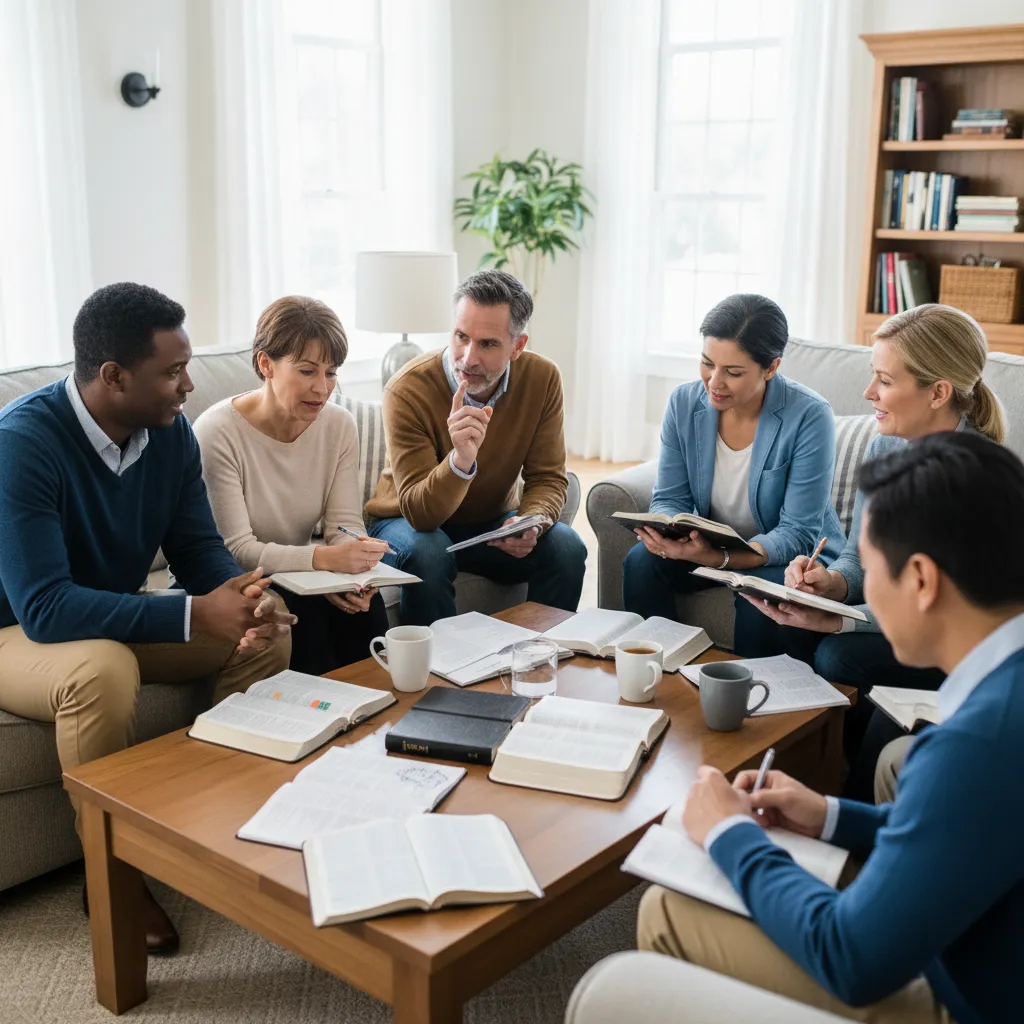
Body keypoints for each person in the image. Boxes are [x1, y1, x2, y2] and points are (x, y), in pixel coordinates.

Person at [638, 431, 1024, 1024]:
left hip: (970, 1001)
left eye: (869, 570)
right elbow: (972, 826)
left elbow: (850, 957)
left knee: (662, 911)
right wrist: (831, 814)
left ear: (921, 580)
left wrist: (727, 834)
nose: (863, 589)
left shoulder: (975, 743)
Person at [0, 283, 295, 954]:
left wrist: (241, 597)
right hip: (14, 628)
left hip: (100, 614)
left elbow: (195, 547)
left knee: (263, 633)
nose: (188, 385)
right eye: (171, 372)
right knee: (100, 668)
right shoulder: (22, 444)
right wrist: (195, 614)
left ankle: (219, 834)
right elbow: (44, 609)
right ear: (113, 377)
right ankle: (114, 872)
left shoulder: (166, 435)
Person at [746, 304, 1006, 799]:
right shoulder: (886, 449)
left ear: (938, 393)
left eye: (884, 381)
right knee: (777, 622)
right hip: (905, 619)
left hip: (955, 643)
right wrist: (832, 584)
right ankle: (795, 773)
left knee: (840, 653)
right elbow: (861, 562)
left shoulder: (977, 481)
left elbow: (938, 612)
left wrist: (840, 619)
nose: (869, 394)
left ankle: (850, 794)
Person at [364, 269, 587, 626]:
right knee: (430, 550)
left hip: (489, 526)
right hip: (406, 522)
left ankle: (540, 661)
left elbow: (548, 478)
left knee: (566, 547)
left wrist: (529, 525)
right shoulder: (407, 390)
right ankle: (437, 673)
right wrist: (460, 460)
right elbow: (421, 513)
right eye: (461, 336)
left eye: (487, 343)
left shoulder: (542, 379)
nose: (468, 358)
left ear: (518, 346)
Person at [622, 294, 842, 654]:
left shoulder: (809, 416)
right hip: (711, 544)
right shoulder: (684, 402)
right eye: (707, 363)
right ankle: (659, 676)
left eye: (733, 372)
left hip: (781, 557)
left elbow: (798, 532)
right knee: (642, 563)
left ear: (771, 367)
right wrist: (669, 533)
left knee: (761, 595)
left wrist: (718, 559)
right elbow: (671, 496)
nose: (714, 381)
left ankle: (747, 699)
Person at [194, 296, 390, 675]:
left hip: (298, 574)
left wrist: (356, 573)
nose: (322, 388)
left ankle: (381, 726)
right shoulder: (217, 432)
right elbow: (235, 550)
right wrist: (323, 562)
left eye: (331, 373)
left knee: (365, 609)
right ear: (265, 364)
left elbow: (343, 526)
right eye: (307, 371)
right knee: (301, 616)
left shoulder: (339, 426)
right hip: (233, 579)